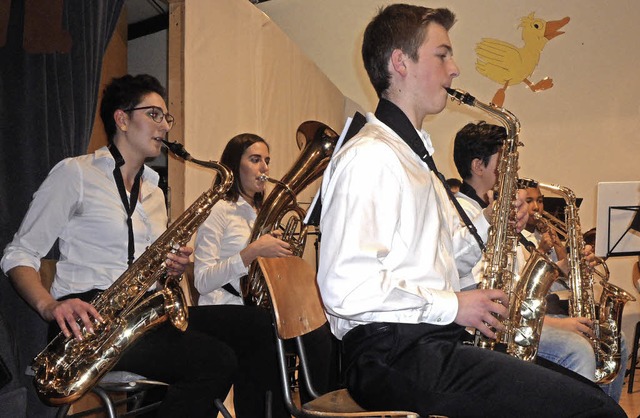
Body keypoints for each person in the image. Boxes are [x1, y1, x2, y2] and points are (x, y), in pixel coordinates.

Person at [316, 4, 625, 417]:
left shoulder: (412, 157)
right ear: (400, 63)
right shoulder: (371, 157)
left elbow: (439, 257)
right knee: (596, 412)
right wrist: (455, 306)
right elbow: (345, 286)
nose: (455, 68)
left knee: (587, 396)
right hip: (391, 355)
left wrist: (490, 222)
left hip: (426, 342)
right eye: (442, 54)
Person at [1, 74, 287, 417]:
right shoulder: (75, 174)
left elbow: (153, 271)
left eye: (167, 117)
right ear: (122, 119)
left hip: (145, 315)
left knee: (258, 324)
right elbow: (20, 253)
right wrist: (50, 306)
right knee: (215, 361)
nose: (164, 126)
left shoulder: (153, 192)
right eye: (154, 114)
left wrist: (172, 269)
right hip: (91, 318)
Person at [193, 133, 338, 402]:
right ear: (235, 166)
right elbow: (202, 280)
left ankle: (318, 405)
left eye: (267, 161)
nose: (265, 168)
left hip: (259, 310)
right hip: (226, 308)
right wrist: (252, 253)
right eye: (255, 159)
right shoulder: (218, 210)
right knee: (270, 336)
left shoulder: (262, 214)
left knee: (323, 331)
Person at [453, 121, 598, 380]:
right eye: (506, 163)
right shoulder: (457, 214)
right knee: (577, 350)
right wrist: (553, 323)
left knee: (604, 342)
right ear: (478, 166)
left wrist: (568, 267)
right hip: (486, 329)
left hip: (518, 317)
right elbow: (478, 293)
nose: (514, 171)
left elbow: (523, 282)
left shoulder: (503, 212)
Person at [521, 187, 628, 402]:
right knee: (581, 347)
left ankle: (608, 408)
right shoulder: (520, 239)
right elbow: (526, 286)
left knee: (618, 339)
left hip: (559, 304)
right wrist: (542, 250)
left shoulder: (543, 233)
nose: (535, 207)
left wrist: (570, 257)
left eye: (539, 201)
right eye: (528, 201)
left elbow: (564, 278)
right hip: (544, 313)